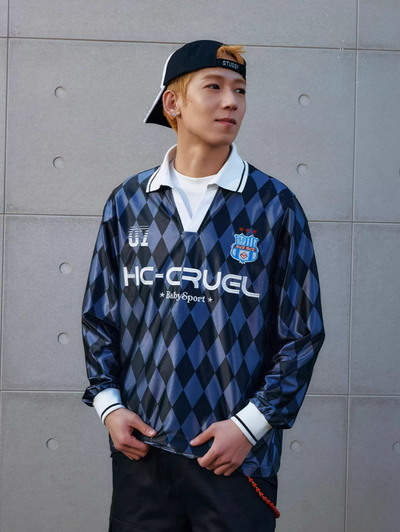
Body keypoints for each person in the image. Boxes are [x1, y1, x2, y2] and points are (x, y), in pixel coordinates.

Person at [81, 39, 326, 532]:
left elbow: (302, 334)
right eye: (213, 87)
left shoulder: (274, 205)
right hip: (143, 451)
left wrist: (249, 426)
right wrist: (109, 407)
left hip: (234, 457)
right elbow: (99, 316)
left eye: (240, 90)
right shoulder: (129, 201)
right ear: (173, 103)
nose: (231, 101)